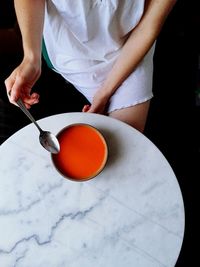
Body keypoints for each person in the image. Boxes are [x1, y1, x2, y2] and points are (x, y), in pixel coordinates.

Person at [5, 0, 177, 132]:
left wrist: (104, 94)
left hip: (129, 42)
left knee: (127, 136)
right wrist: (31, 58)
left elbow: (148, 26)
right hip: (69, 41)